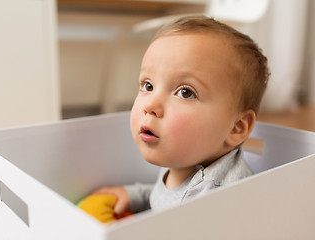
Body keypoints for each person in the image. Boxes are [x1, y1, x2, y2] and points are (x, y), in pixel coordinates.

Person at [94, 15, 270, 217]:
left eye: (185, 92)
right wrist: (135, 195)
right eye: (148, 86)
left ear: (236, 127)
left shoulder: (221, 199)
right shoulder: (184, 155)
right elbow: (170, 196)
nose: (150, 105)